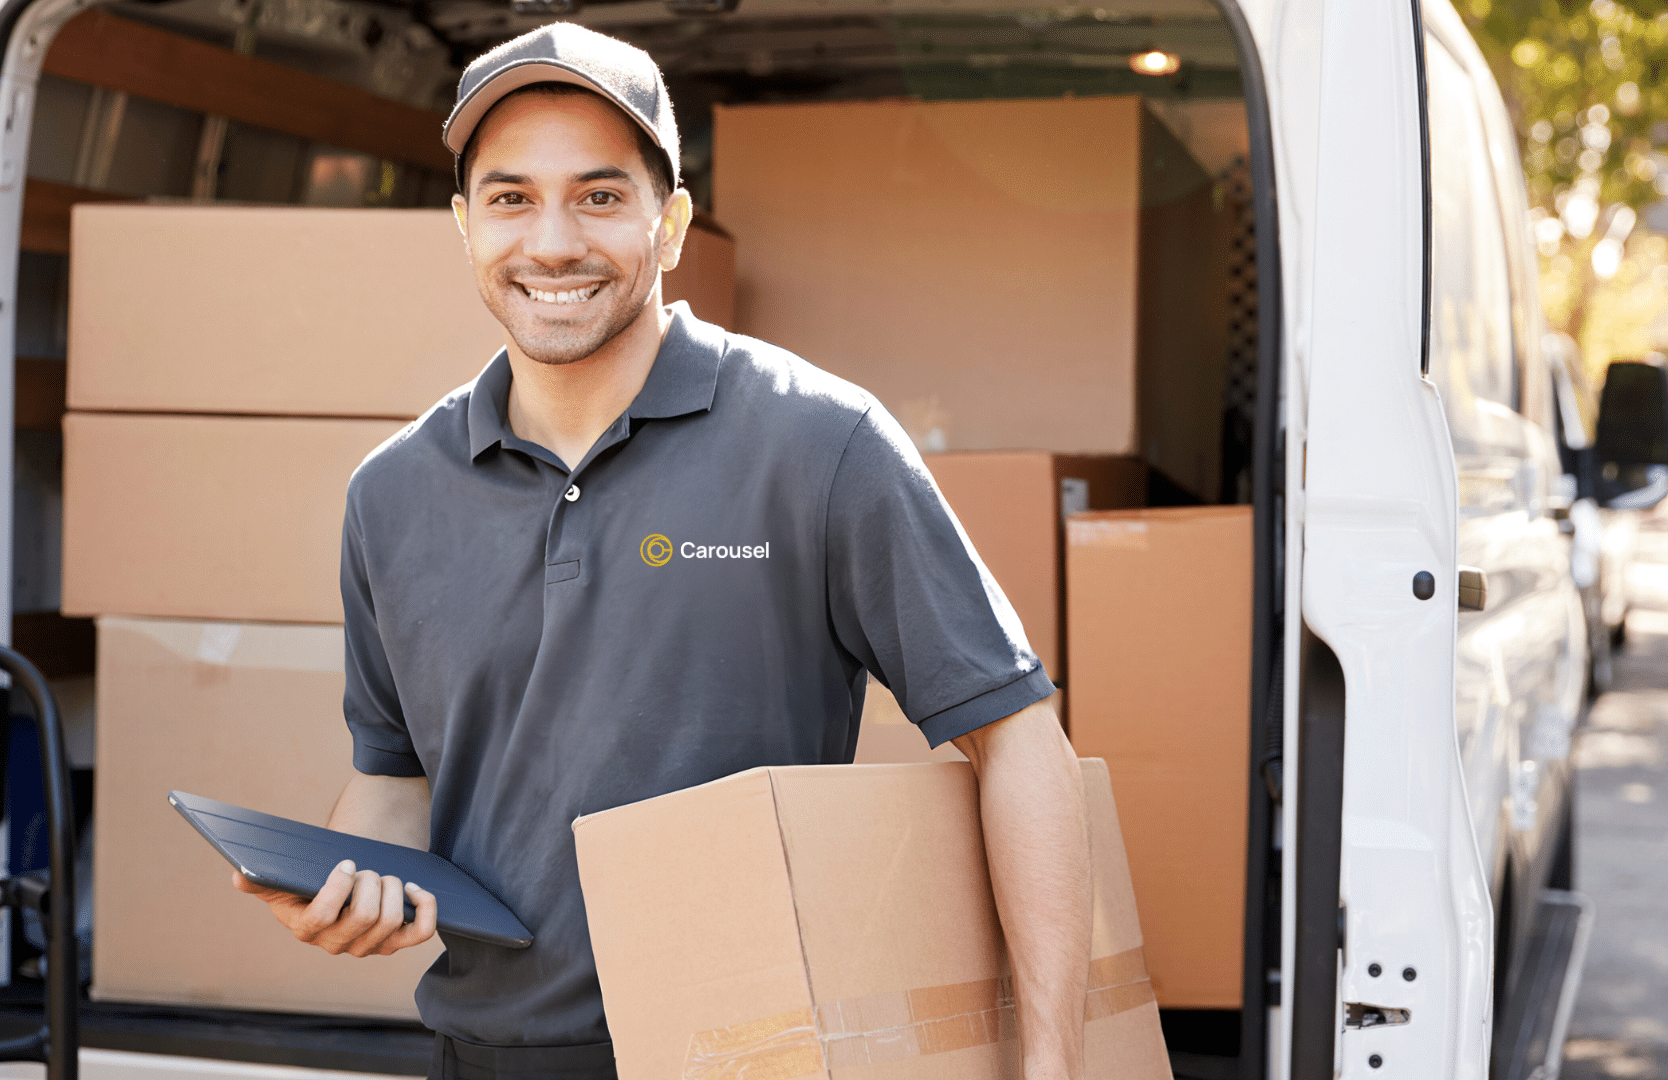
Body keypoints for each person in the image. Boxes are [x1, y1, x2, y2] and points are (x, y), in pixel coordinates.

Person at [230, 21, 1091, 1080]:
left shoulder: (820, 443)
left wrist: (1055, 1065)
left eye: (599, 195)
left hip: (748, 1054)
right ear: (463, 225)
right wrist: (346, 882)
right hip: (482, 1056)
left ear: (671, 224)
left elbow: (1019, 744)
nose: (551, 243)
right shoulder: (394, 495)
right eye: (510, 198)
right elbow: (400, 779)